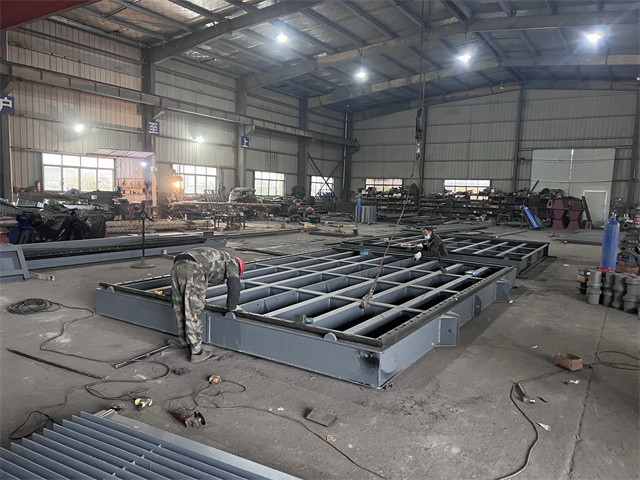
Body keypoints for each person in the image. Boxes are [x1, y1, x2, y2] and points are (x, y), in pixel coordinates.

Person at [171, 247, 245, 363]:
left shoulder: (220, 258)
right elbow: (234, 286)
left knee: (179, 305)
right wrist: (232, 307)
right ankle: (196, 352)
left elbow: (206, 277)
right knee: (193, 310)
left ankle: (184, 342)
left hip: (178, 263)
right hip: (193, 267)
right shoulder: (233, 263)